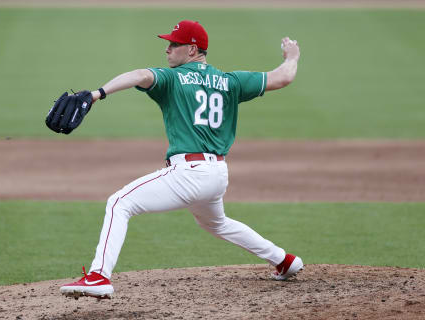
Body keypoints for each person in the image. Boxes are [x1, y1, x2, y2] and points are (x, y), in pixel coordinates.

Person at [60, 20, 302, 299]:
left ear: (192, 49)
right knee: (217, 223)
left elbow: (140, 74)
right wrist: (293, 56)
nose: (167, 49)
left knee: (119, 202)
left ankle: (98, 276)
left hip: (189, 173)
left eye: (174, 44)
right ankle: (284, 261)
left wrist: (96, 94)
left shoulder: (172, 78)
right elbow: (282, 77)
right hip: (217, 174)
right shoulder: (230, 81)